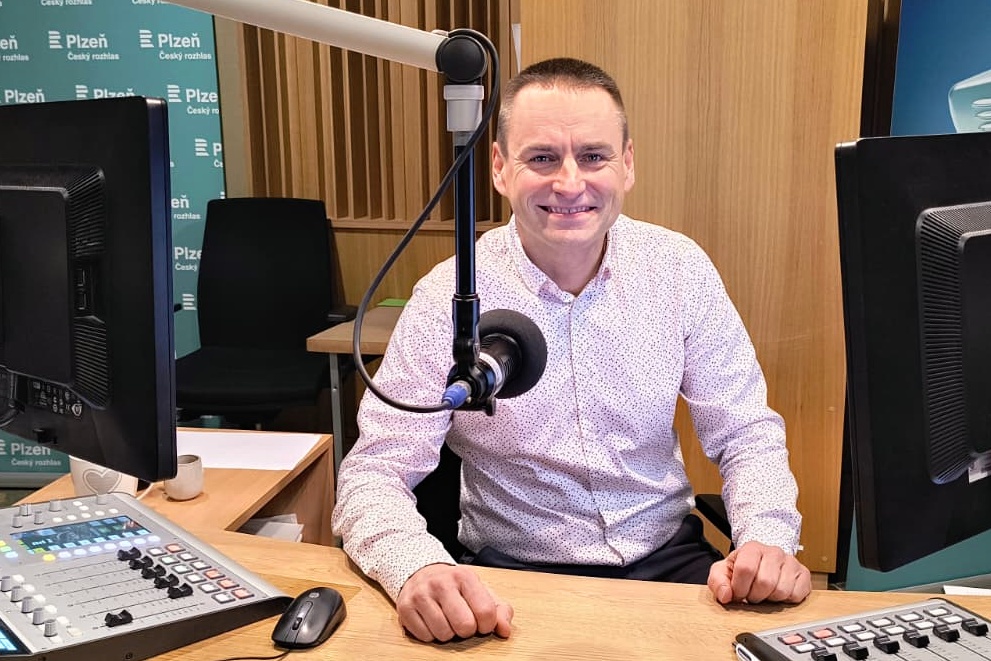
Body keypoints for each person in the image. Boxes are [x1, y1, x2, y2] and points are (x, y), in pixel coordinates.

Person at [332, 57, 811, 643]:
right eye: (541, 158)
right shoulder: (447, 297)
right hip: (512, 579)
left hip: (671, 562)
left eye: (593, 156)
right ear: (500, 168)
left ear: (627, 164)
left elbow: (745, 432)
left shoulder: (678, 269)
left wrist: (766, 538)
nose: (569, 183)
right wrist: (416, 567)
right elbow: (375, 470)